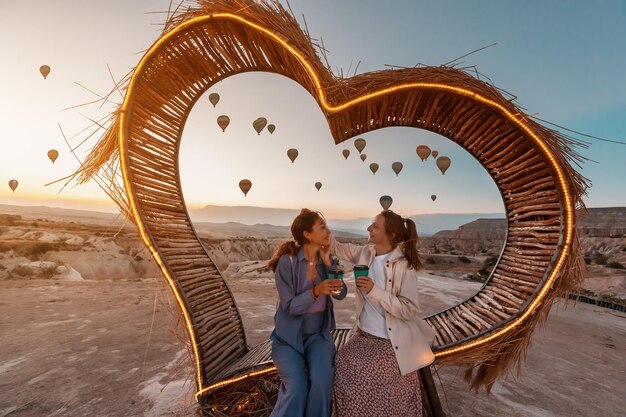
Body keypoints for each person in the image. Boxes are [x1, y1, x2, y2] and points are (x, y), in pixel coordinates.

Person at [329, 210, 436, 417]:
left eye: (375, 226)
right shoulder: (365, 253)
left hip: (390, 341)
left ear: (392, 235)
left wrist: (374, 291)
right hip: (363, 336)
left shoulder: (404, 266)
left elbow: (409, 309)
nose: (369, 228)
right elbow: (337, 248)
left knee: (363, 379)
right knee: (340, 367)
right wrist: (321, 226)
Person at [268, 208, 348, 417]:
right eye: (322, 227)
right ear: (307, 234)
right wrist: (315, 291)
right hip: (287, 340)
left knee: (322, 382)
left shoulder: (326, 261)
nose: (328, 231)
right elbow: (289, 307)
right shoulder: (288, 262)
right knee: (297, 388)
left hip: (318, 337)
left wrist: (329, 263)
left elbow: (341, 294)